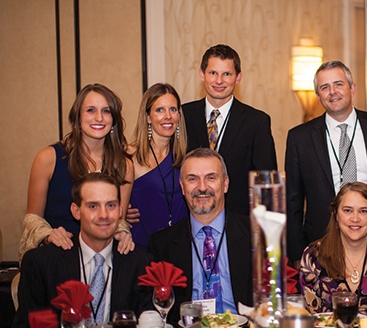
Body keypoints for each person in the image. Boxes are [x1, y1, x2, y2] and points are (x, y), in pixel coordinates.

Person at [13, 173, 152, 328]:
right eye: (93, 206)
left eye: (111, 205)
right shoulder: (43, 263)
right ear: (76, 211)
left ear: (120, 210)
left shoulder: (140, 265)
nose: (104, 215)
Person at [286, 60, 367, 263]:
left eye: (338, 84)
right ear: (318, 95)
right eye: (324, 87)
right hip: (322, 242)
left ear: (352, 88)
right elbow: (292, 200)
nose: (332, 92)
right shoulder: (299, 138)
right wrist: (296, 254)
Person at [21, 83, 135, 260]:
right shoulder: (48, 158)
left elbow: (119, 221)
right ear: (78, 118)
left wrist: (122, 233)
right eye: (90, 110)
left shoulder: (124, 166)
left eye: (106, 111)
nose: (99, 118)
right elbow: (32, 219)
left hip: (102, 260)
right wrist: (48, 234)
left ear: (113, 120)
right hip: (58, 256)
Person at [148, 148, 252, 322]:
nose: (202, 187)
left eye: (211, 178)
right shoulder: (162, 245)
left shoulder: (256, 235)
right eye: (192, 179)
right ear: (182, 187)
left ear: (225, 184)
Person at [182, 44, 277, 216]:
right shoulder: (183, 116)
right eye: (213, 73)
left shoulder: (256, 121)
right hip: (190, 219)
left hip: (240, 225)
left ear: (238, 77)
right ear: (201, 74)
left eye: (227, 74)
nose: (219, 81)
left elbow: (266, 186)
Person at [299, 182, 367, 317]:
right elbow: (308, 316)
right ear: (336, 214)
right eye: (347, 210)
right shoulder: (313, 256)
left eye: (363, 211)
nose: (355, 218)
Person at [127, 83, 189, 250]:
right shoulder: (129, 156)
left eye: (173, 109)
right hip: (141, 248)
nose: (167, 116)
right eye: (159, 110)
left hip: (180, 247)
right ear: (148, 117)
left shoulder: (185, 158)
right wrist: (119, 214)